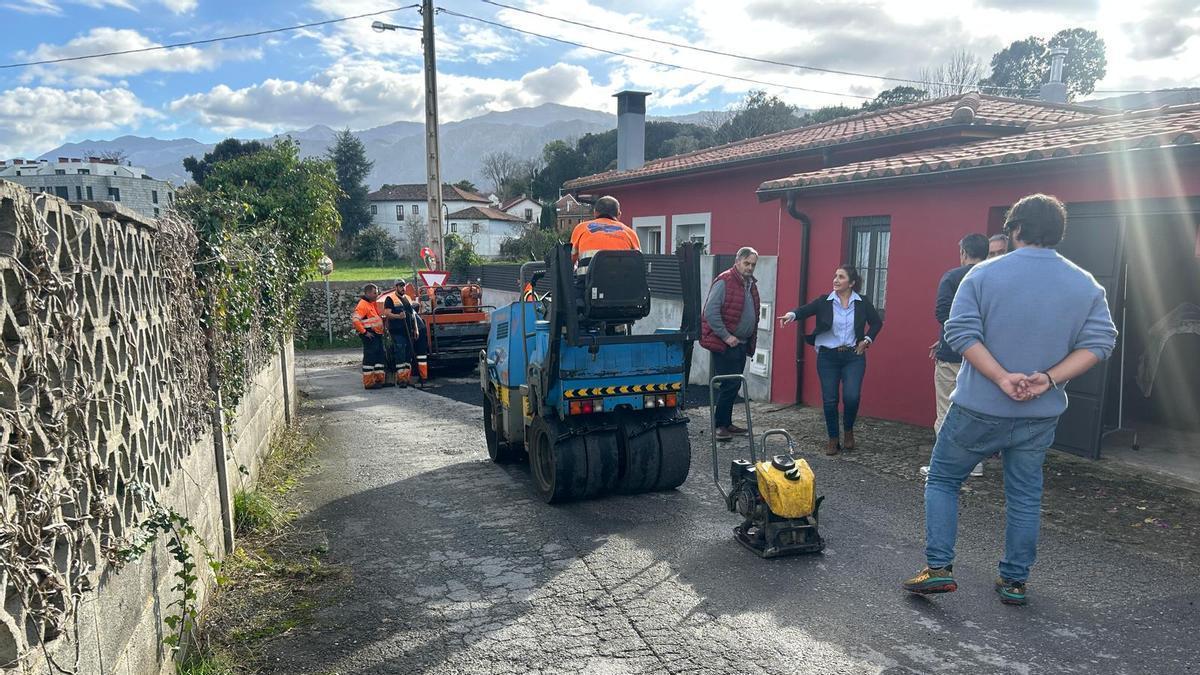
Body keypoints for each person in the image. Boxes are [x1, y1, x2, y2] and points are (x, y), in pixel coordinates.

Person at [903, 194, 1117, 606]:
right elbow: (1101, 342)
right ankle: (1015, 582)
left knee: (945, 479)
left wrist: (1002, 378)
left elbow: (960, 333)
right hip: (1039, 412)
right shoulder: (1085, 284)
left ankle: (939, 568)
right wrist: (1048, 379)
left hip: (978, 407)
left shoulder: (982, 275)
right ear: (1058, 233)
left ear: (1015, 229)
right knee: (1024, 495)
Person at [780, 266, 883, 455]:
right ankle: (833, 438)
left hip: (854, 356)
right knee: (830, 399)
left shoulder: (862, 302)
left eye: (841, 277)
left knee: (852, 396)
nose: (835, 280)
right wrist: (791, 315)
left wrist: (866, 341)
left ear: (851, 283)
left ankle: (849, 430)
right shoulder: (824, 301)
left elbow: (877, 322)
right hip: (828, 356)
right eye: (835, 276)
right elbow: (805, 310)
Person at [923, 234, 989, 478]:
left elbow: (943, 314)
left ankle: (945, 465)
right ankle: (975, 464)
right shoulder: (994, 278)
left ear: (963, 253)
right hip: (986, 359)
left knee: (946, 410)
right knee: (975, 410)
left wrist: (955, 337)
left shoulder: (952, 277)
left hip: (952, 354)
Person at [700, 247, 761, 441]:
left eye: (753, 264)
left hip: (741, 343)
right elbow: (710, 312)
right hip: (726, 343)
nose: (750, 267)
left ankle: (727, 423)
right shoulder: (725, 280)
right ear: (737, 261)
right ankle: (719, 426)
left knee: (734, 385)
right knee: (729, 384)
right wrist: (726, 337)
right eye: (747, 263)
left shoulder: (750, 284)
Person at [569, 195, 640, 270]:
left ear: (595, 213)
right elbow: (639, 264)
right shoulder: (630, 233)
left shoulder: (581, 228)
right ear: (619, 215)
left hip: (587, 280)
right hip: (622, 280)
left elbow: (569, 262)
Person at [378, 280, 419, 387]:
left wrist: (416, 329)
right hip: (397, 331)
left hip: (408, 331)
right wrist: (398, 316)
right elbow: (387, 313)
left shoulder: (407, 298)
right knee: (400, 354)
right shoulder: (390, 299)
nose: (402, 288)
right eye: (400, 286)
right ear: (396, 287)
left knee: (408, 356)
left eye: (403, 286)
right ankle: (401, 380)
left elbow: (413, 315)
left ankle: (406, 378)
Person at [351, 283, 386, 389]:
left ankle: (379, 380)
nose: (377, 294)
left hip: (376, 334)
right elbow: (355, 320)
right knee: (370, 359)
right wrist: (365, 332)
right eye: (375, 293)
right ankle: (369, 383)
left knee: (379, 357)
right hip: (369, 335)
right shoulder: (363, 305)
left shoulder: (371, 303)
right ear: (368, 293)